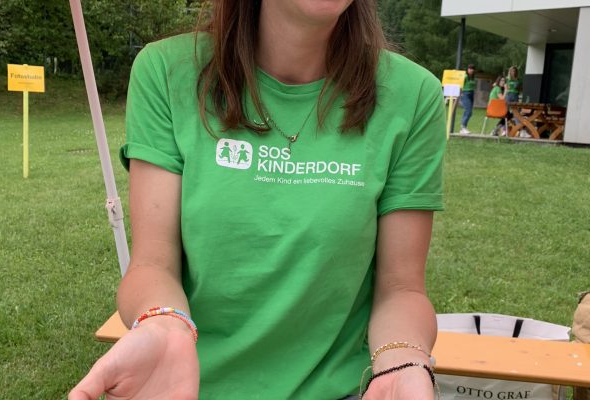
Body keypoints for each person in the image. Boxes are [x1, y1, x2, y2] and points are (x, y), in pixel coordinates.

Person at [69, 1, 446, 399]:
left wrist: (403, 362)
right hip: (187, 387)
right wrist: (163, 324)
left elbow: (401, 288)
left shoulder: (412, 94)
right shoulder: (166, 71)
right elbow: (152, 264)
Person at [459, 64, 476, 134]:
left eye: (472, 69)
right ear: (467, 69)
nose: (471, 70)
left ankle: (463, 127)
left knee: (469, 112)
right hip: (465, 94)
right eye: (470, 69)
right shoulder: (465, 76)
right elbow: (460, 85)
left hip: (471, 94)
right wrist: (460, 95)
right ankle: (463, 127)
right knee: (468, 111)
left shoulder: (473, 77)